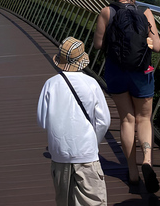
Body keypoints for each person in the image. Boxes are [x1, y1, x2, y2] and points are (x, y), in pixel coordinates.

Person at [93, 0, 160, 193]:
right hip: (142, 71)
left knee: (127, 120)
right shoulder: (145, 12)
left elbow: (97, 44)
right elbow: (157, 46)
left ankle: (132, 172)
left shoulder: (107, 12)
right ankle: (148, 160)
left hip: (116, 71)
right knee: (144, 118)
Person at [38, 37, 111, 206]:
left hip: (59, 154)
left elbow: (43, 121)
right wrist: (93, 141)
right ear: (82, 60)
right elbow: (104, 121)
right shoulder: (91, 83)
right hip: (86, 153)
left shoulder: (50, 84)